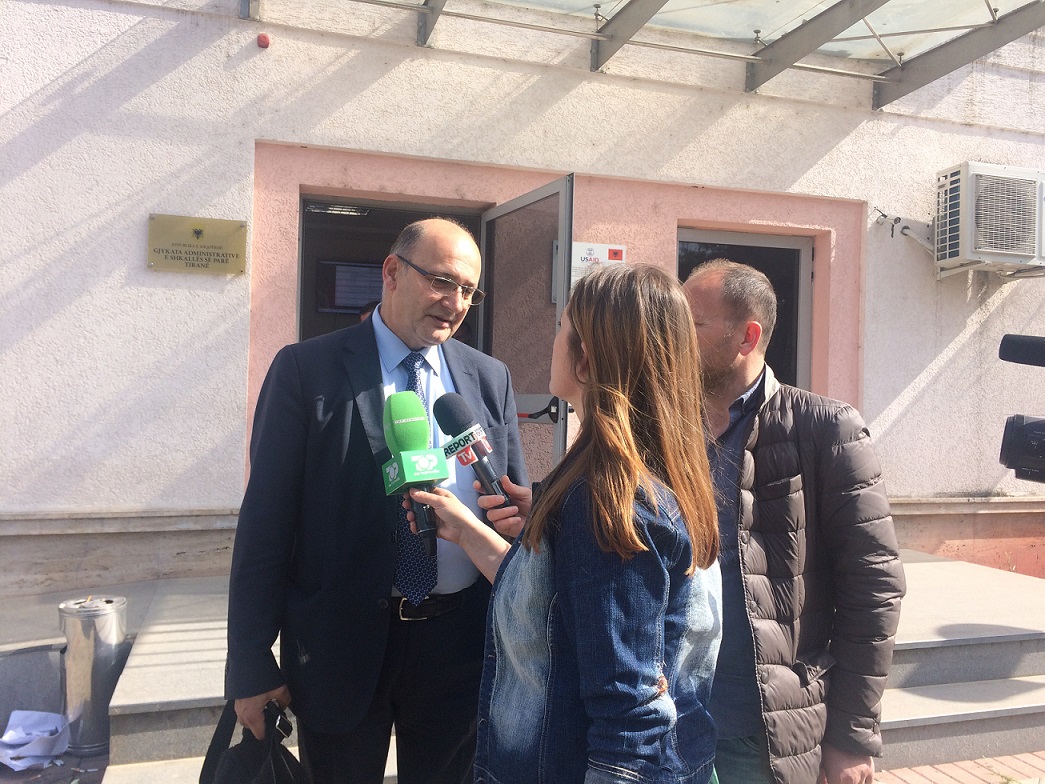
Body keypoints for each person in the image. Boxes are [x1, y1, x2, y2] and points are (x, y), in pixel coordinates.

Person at [225, 218, 528, 784]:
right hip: (340, 644)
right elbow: (265, 524)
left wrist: (515, 520)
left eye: (469, 290)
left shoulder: (490, 378)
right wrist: (248, 661)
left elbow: (510, 506)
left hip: (457, 647)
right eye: (442, 281)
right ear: (392, 272)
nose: (456, 302)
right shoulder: (304, 370)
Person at [407, 263, 723, 784]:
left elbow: (628, 711)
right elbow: (559, 614)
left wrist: (575, 523)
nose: (553, 341)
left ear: (588, 356)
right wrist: (469, 529)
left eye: (562, 327)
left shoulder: (607, 500)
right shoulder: (657, 477)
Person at [682, 260, 906, 784]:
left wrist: (852, 734)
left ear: (747, 336)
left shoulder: (826, 429)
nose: (672, 338)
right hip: (671, 717)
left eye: (691, 325)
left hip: (760, 731)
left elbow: (874, 587)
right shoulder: (664, 425)